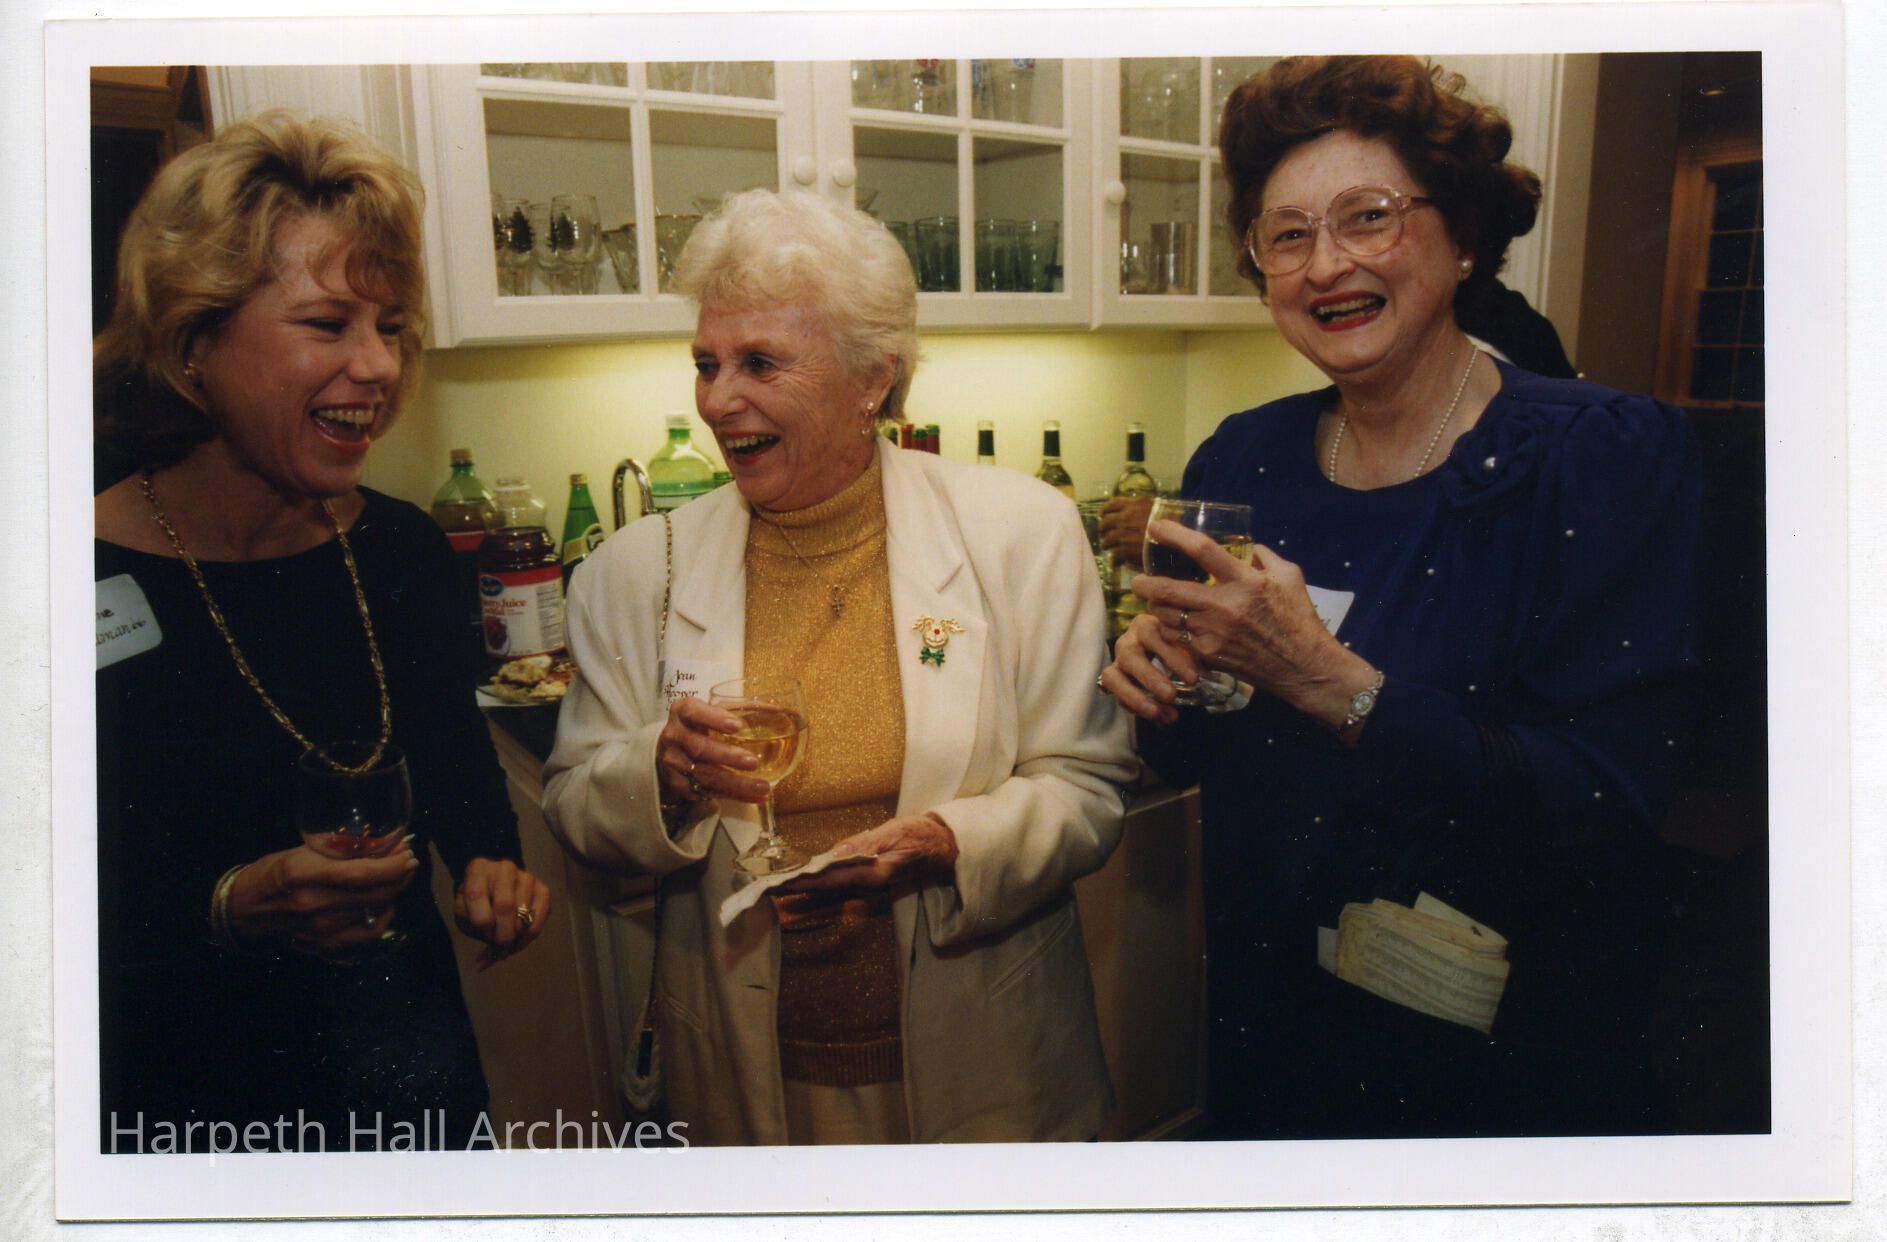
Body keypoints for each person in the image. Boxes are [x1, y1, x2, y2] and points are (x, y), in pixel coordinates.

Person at [1099, 56, 1703, 1139]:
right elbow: (1205, 755)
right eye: (1287, 235)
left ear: (1461, 234)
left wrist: (1326, 682)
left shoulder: (1597, 456)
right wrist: (1166, 686)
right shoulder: (1243, 458)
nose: (1326, 264)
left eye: (1367, 217)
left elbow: (1607, 809)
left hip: (1497, 1060)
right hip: (1270, 1019)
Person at [543, 188, 1135, 1145]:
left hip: (983, 1057)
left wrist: (948, 843)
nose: (716, 400)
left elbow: (1088, 786)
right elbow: (573, 800)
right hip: (745, 1063)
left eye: (759, 362)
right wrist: (660, 773)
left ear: (872, 378)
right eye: (705, 363)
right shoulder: (634, 572)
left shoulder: (1022, 532)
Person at [93, 111, 550, 1152]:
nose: (378, 366)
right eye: (327, 323)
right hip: (189, 1113)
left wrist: (492, 866)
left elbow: (460, 779)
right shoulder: (58, 579)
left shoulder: (401, 549)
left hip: (413, 1077)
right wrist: (229, 904)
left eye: (389, 327)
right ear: (195, 339)